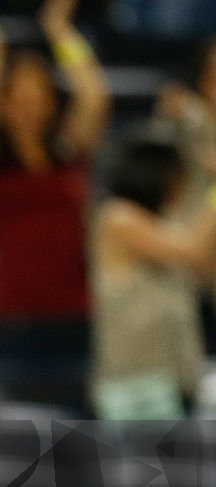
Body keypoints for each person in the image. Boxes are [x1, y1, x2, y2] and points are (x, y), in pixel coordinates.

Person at [0, 0, 110, 410]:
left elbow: (94, 96)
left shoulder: (69, 152)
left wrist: (60, 31)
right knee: (11, 451)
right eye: (16, 94)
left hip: (73, 315)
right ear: (2, 104)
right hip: (13, 317)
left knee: (75, 449)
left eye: (36, 92)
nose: (27, 102)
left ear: (51, 101)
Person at [90, 133, 216, 420]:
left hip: (177, 378)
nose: (183, 186)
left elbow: (202, 264)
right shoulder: (117, 217)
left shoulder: (164, 222)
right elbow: (192, 250)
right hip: (136, 387)